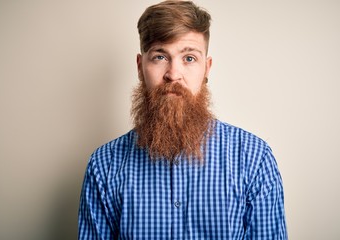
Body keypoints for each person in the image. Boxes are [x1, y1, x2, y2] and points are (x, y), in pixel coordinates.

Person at [78, 1, 287, 239]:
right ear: (139, 66)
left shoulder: (254, 160)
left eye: (189, 58)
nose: (173, 74)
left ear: (206, 68)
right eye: (159, 56)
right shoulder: (104, 166)